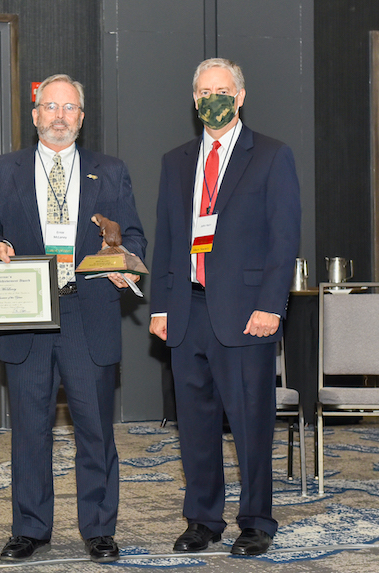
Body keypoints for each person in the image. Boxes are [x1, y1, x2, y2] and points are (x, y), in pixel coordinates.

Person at [0, 74, 146, 563]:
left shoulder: (110, 171)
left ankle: (99, 529)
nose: (60, 117)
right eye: (51, 107)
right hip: (27, 313)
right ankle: (30, 529)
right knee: (29, 427)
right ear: (35, 115)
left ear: (82, 119)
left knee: (95, 428)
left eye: (70, 108)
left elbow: (134, 236)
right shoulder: (4, 169)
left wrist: (123, 262)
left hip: (89, 315)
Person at [149, 58, 300, 557]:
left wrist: (271, 306)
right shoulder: (176, 160)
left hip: (245, 314)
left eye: (223, 89)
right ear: (195, 101)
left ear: (239, 96)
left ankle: (256, 521)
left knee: (252, 423)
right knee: (194, 426)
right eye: (204, 90)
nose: (213, 97)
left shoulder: (272, 156)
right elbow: (168, 239)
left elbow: (284, 239)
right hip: (187, 312)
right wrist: (161, 305)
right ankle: (203, 520)